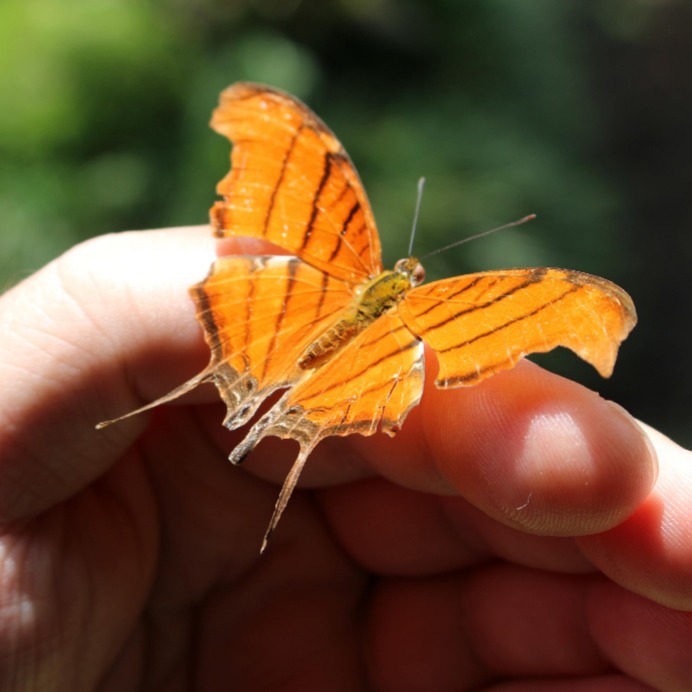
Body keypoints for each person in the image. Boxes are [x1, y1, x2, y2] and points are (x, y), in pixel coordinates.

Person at [0, 225, 689, 690]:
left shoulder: (363, 266)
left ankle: (249, 404)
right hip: (348, 351)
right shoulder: (433, 307)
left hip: (303, 320)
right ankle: (256, 413)